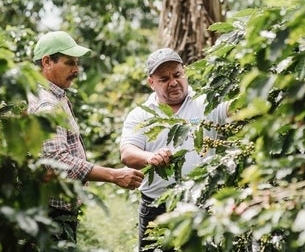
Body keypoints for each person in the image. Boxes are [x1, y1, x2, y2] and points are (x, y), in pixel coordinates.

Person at [27, 30, 144, 245]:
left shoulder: (55, 96)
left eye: (76, 63)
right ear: (47, 62)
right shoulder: (48, 105)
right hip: (51, 215)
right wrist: (113, 175)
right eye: (69, 63)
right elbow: (57, 163)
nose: (76, 70)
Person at [120, 48, 230, 251]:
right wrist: (150, 157)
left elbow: (237, 108)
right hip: (157, 209)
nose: (173, 82)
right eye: (164, 78)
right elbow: (127, 152)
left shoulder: (206, 103)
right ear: (151, 82)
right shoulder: (140, 115)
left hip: (203, 204)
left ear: (184, 72)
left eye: (177, 75)